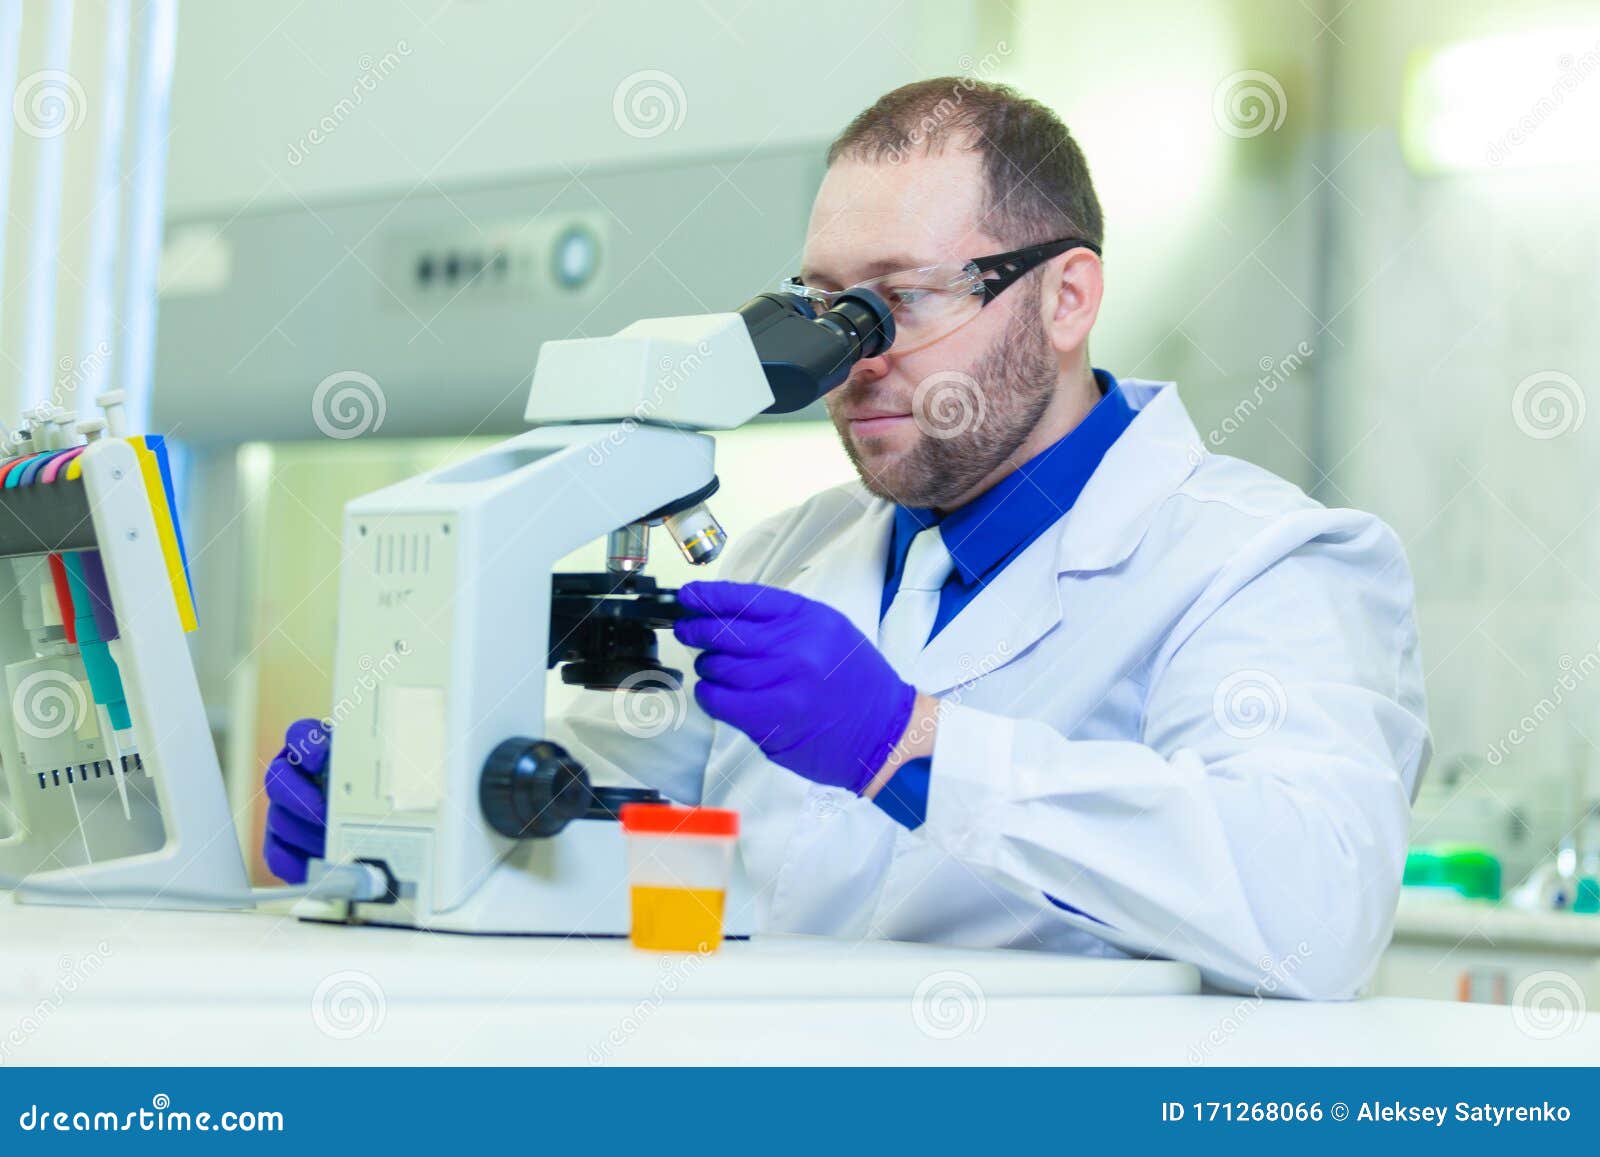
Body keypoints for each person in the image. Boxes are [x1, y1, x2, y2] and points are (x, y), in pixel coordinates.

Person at [264, 78, 1429, 999]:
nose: (850, 359)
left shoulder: (1266, 561)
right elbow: (613, 834)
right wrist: (416, 811)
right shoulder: (783, 554)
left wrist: (910, 743)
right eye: (826, 307)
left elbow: (1316, 911)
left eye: (898, 301)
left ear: (1067, 298)